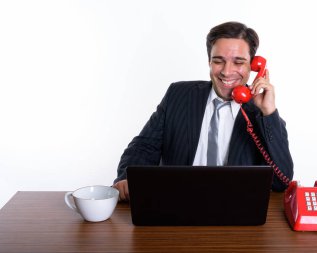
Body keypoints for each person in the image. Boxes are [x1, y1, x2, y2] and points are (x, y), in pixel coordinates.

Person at [113, 21, 294, 201]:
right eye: (218, 61)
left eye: (238, 62)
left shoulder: (261, 114)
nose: (226, 71)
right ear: (209, 61)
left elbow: (281, 182)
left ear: (254, 66)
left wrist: (268, 113)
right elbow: (145, 146)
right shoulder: (178, 95)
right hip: (177, 202)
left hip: (235, 208)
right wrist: (128, 178)